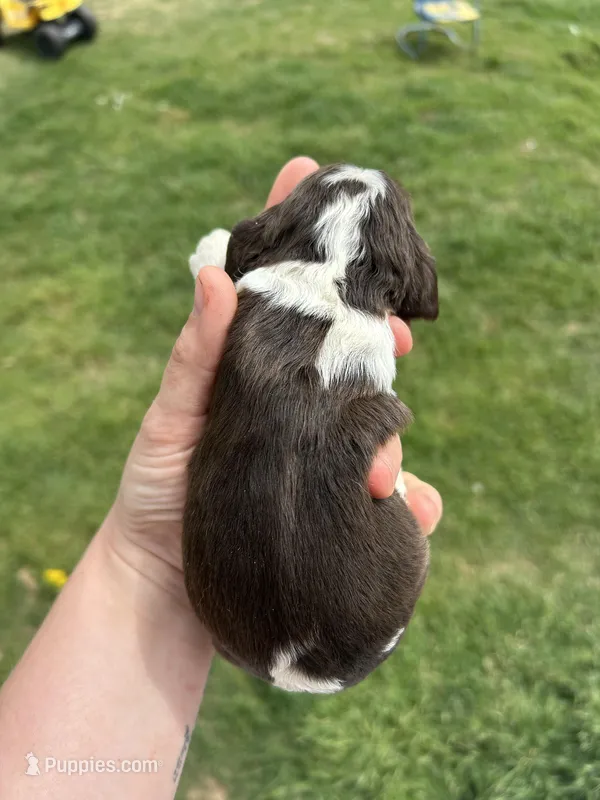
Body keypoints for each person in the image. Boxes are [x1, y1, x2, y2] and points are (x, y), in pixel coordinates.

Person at [0, 157, 442, 799]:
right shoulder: (374, 343)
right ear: (403, 281)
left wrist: (226, 262)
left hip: (221, 611)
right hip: (344, 634)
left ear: (275, 235)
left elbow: (225, 257)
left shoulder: (243, 311)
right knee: (373, 473)